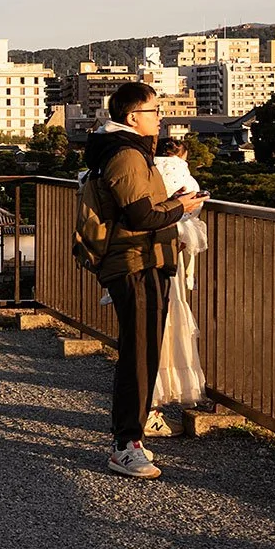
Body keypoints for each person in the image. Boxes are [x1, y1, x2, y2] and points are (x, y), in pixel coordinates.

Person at [85, 83, 205, 479]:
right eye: (155, 111)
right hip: (135, 261)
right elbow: (142, 216)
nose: (160, 118)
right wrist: (181, 206)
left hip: (142, 260)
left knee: (142, 351)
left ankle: (130, 439)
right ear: (134, 116)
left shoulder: (122, 150)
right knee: (139, 353)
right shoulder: (126, 155)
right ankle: (125, 444)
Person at [150, 136, 209, 425]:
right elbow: (192, 205)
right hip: (168, 252)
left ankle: (151, 402)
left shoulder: (146, 167)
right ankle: (154, 402)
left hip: (144, 251)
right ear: (181, 155)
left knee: (151, 327)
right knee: (167, 324)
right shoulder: (179, 171)